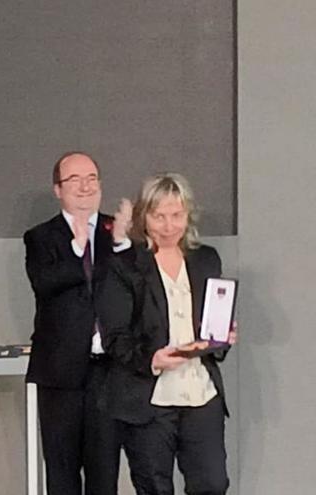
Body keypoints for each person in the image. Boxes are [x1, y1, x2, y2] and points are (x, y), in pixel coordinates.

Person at [97, 173, 237, 495]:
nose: (168, 225)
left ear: (188, 215)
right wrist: (153, 360)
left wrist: (221, 340)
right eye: (158, 216)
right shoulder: (123, 266)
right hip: (149, 396)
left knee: (213, 483)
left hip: (200, 392)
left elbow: (210, 325)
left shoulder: (205, 259)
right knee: (155, 487)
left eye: (176, 215)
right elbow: (115, 337)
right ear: (143, 217)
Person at [23, 151, 132, 494]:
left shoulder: (118, 233)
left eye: (92, 178)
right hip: (60, 375)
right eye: (74, 180)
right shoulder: (41, 237)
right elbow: (45, 283)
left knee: (104, 477)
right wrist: (77, 247)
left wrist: (125, 244)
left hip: (108, 372)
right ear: (58, 189)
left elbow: (135, 286)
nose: (85, 187)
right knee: (62, 476)